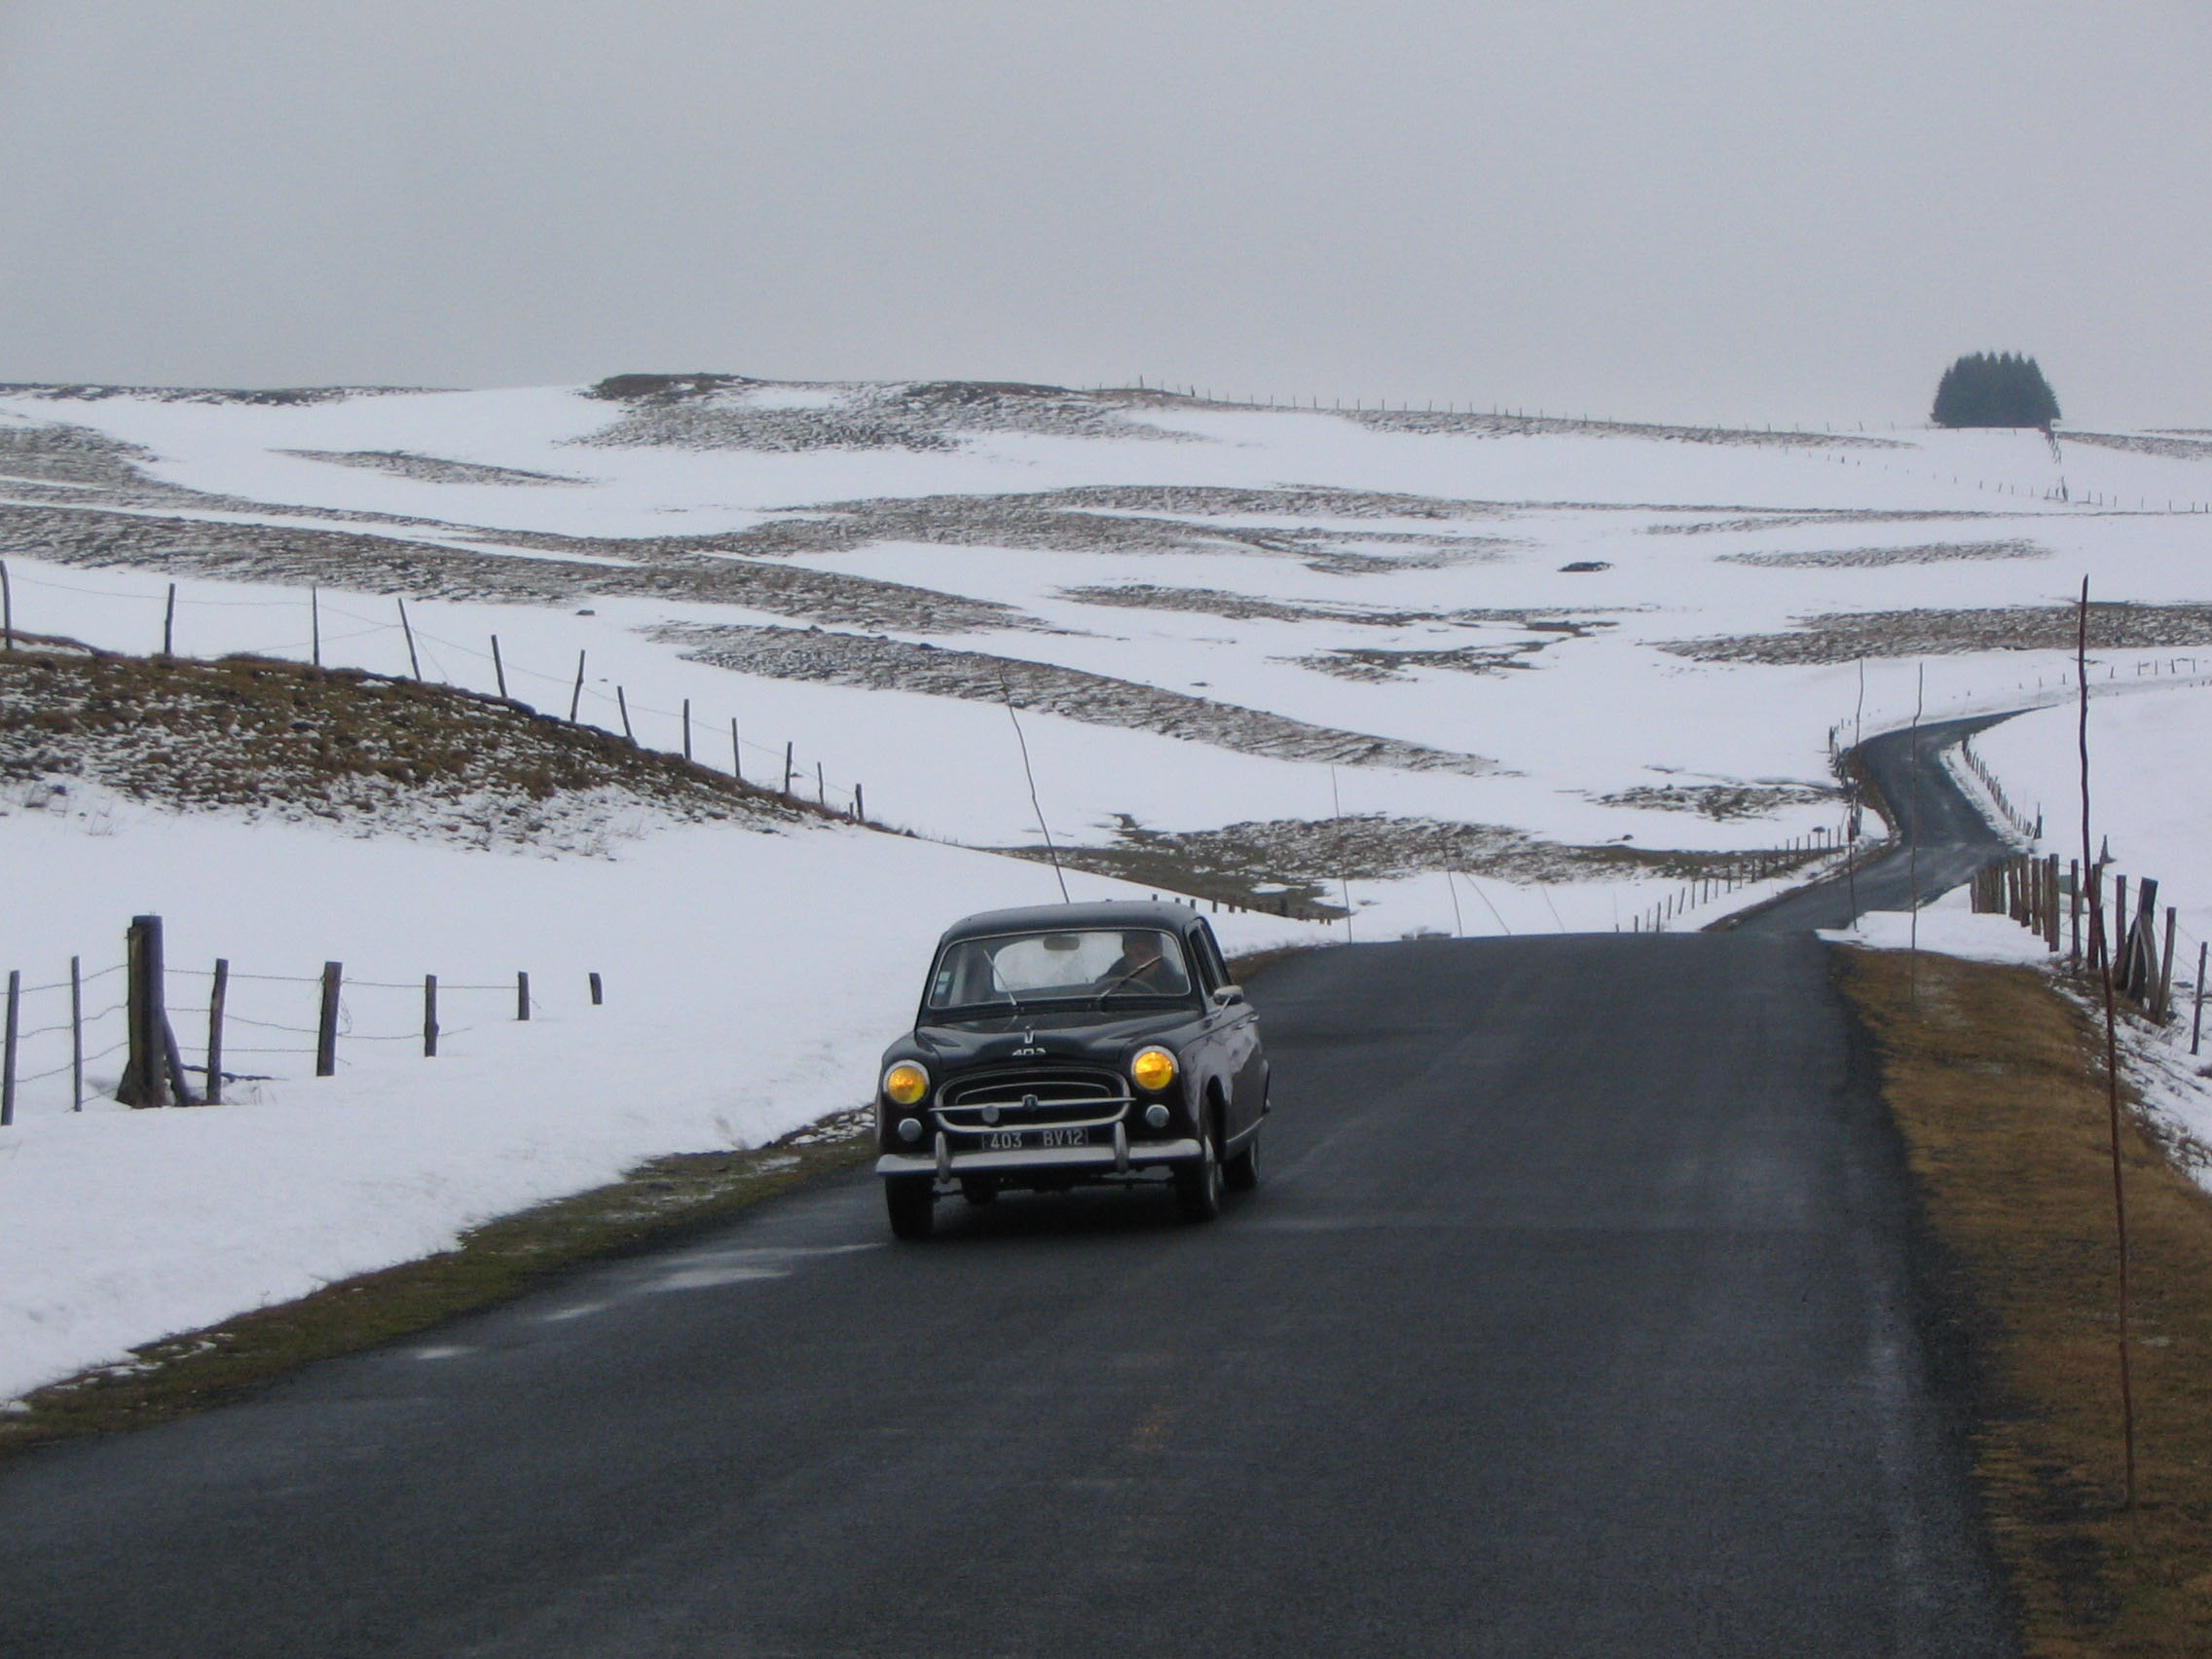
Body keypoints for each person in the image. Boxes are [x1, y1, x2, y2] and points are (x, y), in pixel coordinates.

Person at [1101, 930, 1184, 995]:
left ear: (1157, 954)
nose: (1134, 962)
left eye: (1142, 955)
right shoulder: (1108, 984)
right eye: (1129, 956)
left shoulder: (1179, 988)